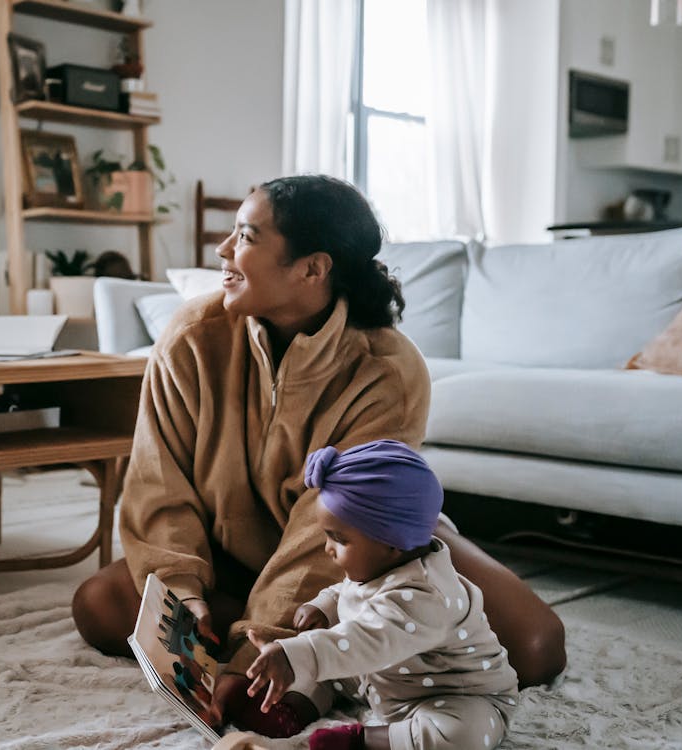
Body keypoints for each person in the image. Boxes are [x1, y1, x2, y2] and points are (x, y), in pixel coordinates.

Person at [70, 174, 566, 737]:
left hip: (367, 554)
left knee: (534, 646)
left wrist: (252, 655)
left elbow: (330, 531)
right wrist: (185, 595)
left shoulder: (388, 368)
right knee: (100, 605)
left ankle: (318, 647)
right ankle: (323, 651)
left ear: (312, 268)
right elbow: (158, 484)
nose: (223, 250)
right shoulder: (190, 338)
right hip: (225, 549)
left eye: (247, 236)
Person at [242, 440, 518, 750]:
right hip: (383, 675)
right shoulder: (380, 564)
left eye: (338, 539)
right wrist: (324, 605)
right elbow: (348, 592)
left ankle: (365, 741)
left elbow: (367, 639)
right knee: (325, 669)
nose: (327, 548)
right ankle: (292, 708)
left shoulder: (427, 598)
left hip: (451, 695)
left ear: (392, 541)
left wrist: (296, 652)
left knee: (463, 735)